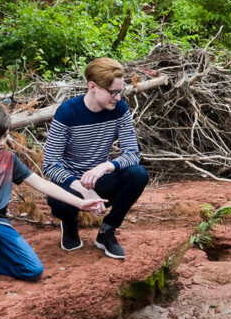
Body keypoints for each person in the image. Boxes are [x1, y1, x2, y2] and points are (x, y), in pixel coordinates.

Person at [0, 103, 106, 288]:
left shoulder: (8, 158)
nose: (2, 142)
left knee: (33, 271)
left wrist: (80, 203)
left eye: (5, 136)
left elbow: (41, 184)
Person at [41, 57, 150, 260]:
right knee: (59, 201)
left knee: (138, 174)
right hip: (70, 185)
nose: (117, 97)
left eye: (120, 91)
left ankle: (107, 230)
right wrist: (82, 189)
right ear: (93, 87)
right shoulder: (67, 113)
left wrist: (105, 167)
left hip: (99, 181)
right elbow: (50, 165)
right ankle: (70, 222)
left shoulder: (119, 110)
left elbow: (132, 154)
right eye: (113, 92)